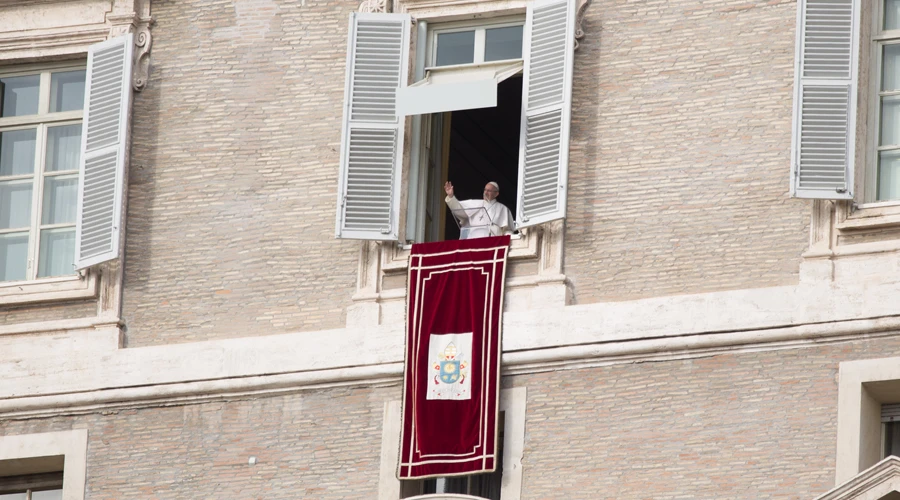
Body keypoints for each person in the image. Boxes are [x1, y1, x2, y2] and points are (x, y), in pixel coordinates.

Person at [444, 181, 515, 240]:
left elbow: (508, 231)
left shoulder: (502, 209)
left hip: (492, 242)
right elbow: (459, 210)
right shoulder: (475, 203)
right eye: (485, 190)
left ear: (496, 194)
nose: (485, 192)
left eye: (489, 191)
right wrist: (451, 196)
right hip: (472, 240)